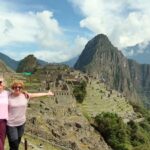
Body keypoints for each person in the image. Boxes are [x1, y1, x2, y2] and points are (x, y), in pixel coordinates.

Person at [6, 80, 54, 150]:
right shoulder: (8, 96)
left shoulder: (26, 96)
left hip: (21, 124)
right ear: (13, 88)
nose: (17, 88)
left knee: (17, 143)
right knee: (14, 144)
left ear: (22, 88)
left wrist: (47, 93)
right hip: (11, 125)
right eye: (15, 87)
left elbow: (37, 95)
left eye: (19, 87)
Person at [0, 77, 9, 150]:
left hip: (3, 121)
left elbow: (18, 93)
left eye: (0, 83)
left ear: (4, 85)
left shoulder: (8, 94)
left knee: (2, 140)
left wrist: (47, 93)